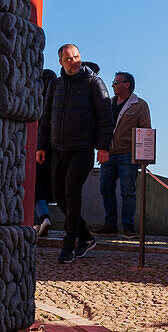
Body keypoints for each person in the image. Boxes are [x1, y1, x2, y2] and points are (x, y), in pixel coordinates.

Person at [37, 44, 113, 263]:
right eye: (69, 59)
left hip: (82, 149)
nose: (74, 62)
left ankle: (68, 245)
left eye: (77, 57)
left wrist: (104, 146)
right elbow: (46, 118)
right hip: (58, 149)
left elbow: (105, 117)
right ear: (61, 62)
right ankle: (86, 237)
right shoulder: (55, 85)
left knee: (72, 194)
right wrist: (41, 146)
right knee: (58, 196)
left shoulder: (94, 83)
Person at [99, 71, 151, 237]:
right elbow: (101, 126)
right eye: (113, 82)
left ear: (127, 84)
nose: (113, 85)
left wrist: (144, 157)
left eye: (116, 82)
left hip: (128, 154)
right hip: (108, 153)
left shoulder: (140, 105)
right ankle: (110, 224)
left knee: (128, 191)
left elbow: (145, 131)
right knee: (105, 188)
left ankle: (128, 227)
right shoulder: (108, 104)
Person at [33, 69, 57, 237]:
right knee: (45, 186)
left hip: (38, 148)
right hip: (55, 149)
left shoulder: (38, 102)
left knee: (35, 186)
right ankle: (37, 223)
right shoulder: (59, 100)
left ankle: (42, 218)